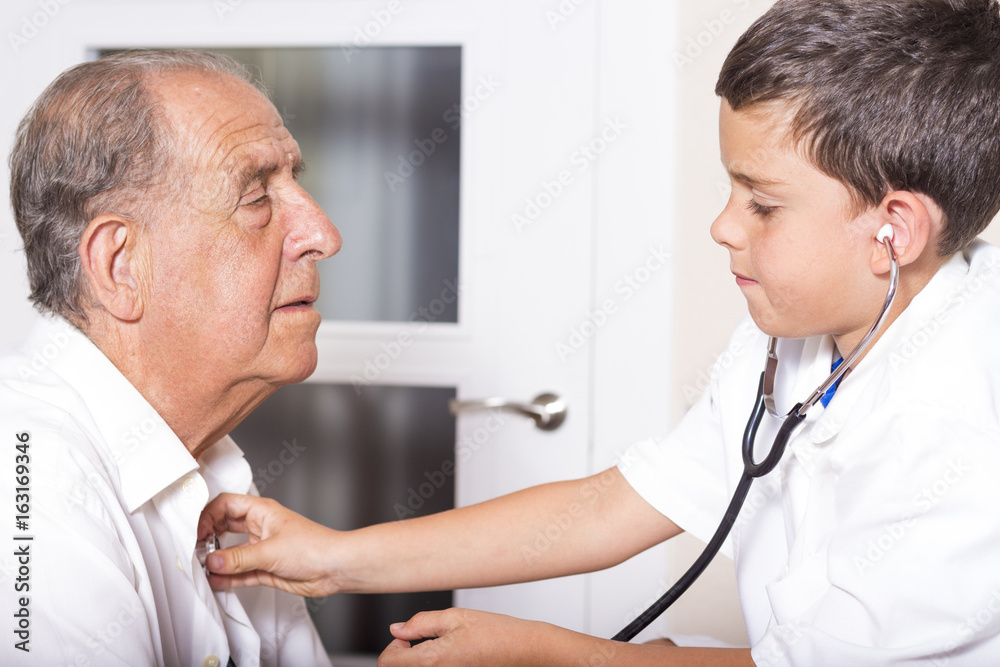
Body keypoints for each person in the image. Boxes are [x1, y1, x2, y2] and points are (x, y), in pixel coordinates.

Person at [199, 0, 1000, 664]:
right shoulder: (800, 336)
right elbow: (611, 507)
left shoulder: (969, 425)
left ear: (894, 231)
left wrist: (548, 652)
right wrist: (333, 559)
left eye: (762, 203)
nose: (723, 226)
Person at [0, 50, 341, 666]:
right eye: (256, 197)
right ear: (120, 266)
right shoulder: (28, 478)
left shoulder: (206, 463)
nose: (323, 234)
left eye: (295, 182)